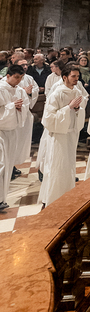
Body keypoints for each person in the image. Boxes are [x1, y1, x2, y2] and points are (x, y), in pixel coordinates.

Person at [40, 63, 88, 206]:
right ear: (65, 77)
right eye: (73, 76)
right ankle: (53, 199)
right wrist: (69, 107)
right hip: (59, 135)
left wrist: (78, 109)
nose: (76, 79)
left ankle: (67, 196)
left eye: (78, 76)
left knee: (68, 166)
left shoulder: (77, 92)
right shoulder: (57, 93)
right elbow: (48, 118)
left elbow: (80, 111)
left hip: (71, 133)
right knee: (57, 166)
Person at [0, 65, 32, 209]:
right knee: (1, 164)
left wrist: (19, 108)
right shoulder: (1, 89)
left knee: (7, 165)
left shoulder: (19, 91)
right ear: (8, 76)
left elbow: (26, 107)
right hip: (1, 131)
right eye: (16, 77)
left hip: (11, 131)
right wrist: (12, 106)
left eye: (21, 78)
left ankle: (2, 198)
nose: (19, 81)